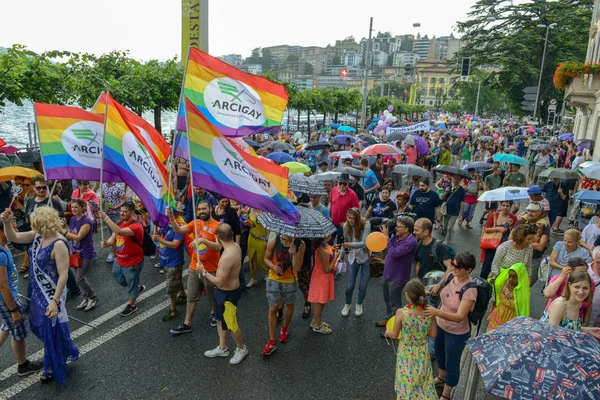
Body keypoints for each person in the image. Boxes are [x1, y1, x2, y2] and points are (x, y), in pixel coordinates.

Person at [1, 206, 79, 384]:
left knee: (51, 328)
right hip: (37, 290)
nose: (31, 225)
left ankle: (54, 364)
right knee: (38, 325)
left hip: (52, 293)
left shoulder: (59, 243)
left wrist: (54, 301)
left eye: (34, 222)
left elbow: (64, 275)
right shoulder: (38, 235)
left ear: (41, 222)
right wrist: (6, 223)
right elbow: (13, 237)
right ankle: (62, 347)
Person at [424, 252, 477, 400]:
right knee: (440, 354)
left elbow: (460, 317)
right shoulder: (452, 276)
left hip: (456, 333)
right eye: (453, 263)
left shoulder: (470, 290)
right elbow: (445, 277)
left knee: (452, 362)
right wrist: (438, 285)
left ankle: (446, 394)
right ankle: (441, 378)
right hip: (441, 326)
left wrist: (436, 312)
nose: (453, 267)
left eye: (457, 266)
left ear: (468, 270)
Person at [196, 224, 248, 364]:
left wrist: (204, 272)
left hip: (228, 294)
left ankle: (241, 348)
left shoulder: (227, 257)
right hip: (223, 292)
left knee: (231, 324)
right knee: (219, 319)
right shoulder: (234, 246)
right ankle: (223, 347)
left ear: (218, 236)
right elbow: (219, 246)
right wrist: (203, 241)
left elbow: (219, 282)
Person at [166, 201, 222, 333]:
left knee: (212, 294)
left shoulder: (218, 226)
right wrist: (171, 218)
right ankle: (187, 323)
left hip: (211, 269)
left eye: (204, 209)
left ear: (211, 209)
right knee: (191, 296)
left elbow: (219, 247)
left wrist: (203, 241)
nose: (201, 211)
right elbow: (179, 230)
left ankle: (214, 312)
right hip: (194, 267)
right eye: (199, 209)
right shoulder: (195, 223)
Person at [0, 222, 44, 377]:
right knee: (17, 332)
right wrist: (13, 310)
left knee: (6, 328)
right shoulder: (0, 254)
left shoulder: (4, 246)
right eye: (10, 228)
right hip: (6, 300)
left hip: (9, 296)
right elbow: (3, 286)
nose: (15, 230)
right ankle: (23, 365)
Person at [384, 279, 437, 400]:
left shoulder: (402, 313)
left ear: (407, 295)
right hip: (422, 351)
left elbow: (394, 334)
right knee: (423, 383)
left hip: (406, 352)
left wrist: (387, 332)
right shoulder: (429, 312)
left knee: (406, 381)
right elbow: (433, 334)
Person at [99, 203, 146, 317]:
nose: (121, 213)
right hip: (119, 260)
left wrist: (105, 217)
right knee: (119, 278)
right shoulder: (120, 222)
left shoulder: (136, 226)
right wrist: (108, 243)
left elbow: (119, 231)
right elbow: (115, 235)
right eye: (120, 211)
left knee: (131, 284)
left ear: (131, 212)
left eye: (124, 211)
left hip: (132, 262)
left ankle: (132, 304)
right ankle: (137, 286)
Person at [262, 233, 306, 356]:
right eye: (281, 238)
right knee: (272, 308)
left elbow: (297, 268)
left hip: (290, 281)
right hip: (273, 279)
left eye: (285, 239)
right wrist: (273, 267)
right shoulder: (274, 241)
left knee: (290, 305)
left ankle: (285, 328)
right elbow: (266, 259)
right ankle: (272, 340)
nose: (282, 241)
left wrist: (294, 253)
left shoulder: (300, 244)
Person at [378, 216, 417, 326]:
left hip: (397, 277)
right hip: (387, 273)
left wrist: (386, 238)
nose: (396, 228)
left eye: (398, 227)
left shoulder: (411, 242)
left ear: (406, 229)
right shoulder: (396, 236)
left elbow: (394, 253)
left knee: (395, 303)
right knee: (387, 299)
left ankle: (396, 325)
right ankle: (388, 318)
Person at [541, 270, 600, 338]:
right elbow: (550, 334)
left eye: (585, 288)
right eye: (577, 287)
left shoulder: (578, 304)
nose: (581, 292)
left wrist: (590, 331)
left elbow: (569, 329)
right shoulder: (560, 305)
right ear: (569, 285)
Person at [151, 208, 186, 321]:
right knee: (177, 279)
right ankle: (182, 295)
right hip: (165, 260)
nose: (166, 214)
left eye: (169, 212)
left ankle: (173, 308)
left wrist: (160, 240)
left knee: (171, 286)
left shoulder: (178, 226)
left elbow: (175, 245)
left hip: (174, 262)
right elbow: (154, 234)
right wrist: (155, 224)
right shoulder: (163, 224)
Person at [65, 199, 97, 311]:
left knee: (79, 278)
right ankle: (86, 297)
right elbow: (71, 233)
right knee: (78, 277)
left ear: (83, 207)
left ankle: (92, 297)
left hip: (86, 253)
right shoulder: (73, 219)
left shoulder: (87, 221)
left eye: (76, 207)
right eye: (72, 207)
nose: (73, 209)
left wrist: (63, 231)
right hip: (75, 252)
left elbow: (78, 237)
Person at [543, 257, 594, 326]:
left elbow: (589, 303)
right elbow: (548, 294)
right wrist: (562, 276)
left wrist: (585, 323)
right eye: (577, 287)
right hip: (557, 314)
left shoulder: (589, 282)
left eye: (585, 272)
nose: (581, 292)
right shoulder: (560, 279)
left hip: (574, 320)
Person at [341, 208, 371, 317]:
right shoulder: (346, 226)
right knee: (349, 286)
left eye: (353, 219)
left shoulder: (366, 224)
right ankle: (347, 304)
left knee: (363, 286)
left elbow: (364, 242)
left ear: (358, 218)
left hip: (365, 257)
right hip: (352, 258)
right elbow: (344, 242)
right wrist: (340, 256)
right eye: (349, 218)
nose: (350, 221)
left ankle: (359, 304)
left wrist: (350, 245)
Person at [480, 201, 517, 280]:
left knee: (499, 267)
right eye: (503, 205)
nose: (505, 207)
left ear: (510, 207)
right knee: (486, 266)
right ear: (500, 205)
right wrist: (498, 229)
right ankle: (481, 284)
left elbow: (514, 233)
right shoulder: (494, 215)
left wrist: (510, 225)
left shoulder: (513, 218)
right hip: (492, 245)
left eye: (507, 206)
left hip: (504, 246)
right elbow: (486, 229)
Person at [487, 262, 530, 331]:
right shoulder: (504, 281)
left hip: (511, 317)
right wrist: (492, 282)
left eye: (514, 277)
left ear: (519, 277)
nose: (510, 279)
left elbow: (523, 309)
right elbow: (496, 285)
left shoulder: (522, 292)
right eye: (510, 276)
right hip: (499, 312)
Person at [308, 235, 338, 334]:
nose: (330, 235)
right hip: (323, 278)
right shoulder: (324, 252)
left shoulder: (320, 246)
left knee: (320, 301)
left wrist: (332, 249)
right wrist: (335, 258)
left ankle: (316, 320)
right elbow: (327, 270)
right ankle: (317, 325)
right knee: (320, 302)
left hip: (317, 274)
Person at [328, 174, 359, 243]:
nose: (342, 185)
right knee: (328, 242)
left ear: (348, 184)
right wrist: (327, 216)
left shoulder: (353, 195)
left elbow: (356, 212)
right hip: (332, 222)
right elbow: (330, 203)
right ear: (337, 183)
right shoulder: (334, 189)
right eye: (340, 183)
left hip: (344, 225)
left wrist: (347, 223)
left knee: (341, 244)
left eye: (344, 184)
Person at [101, 182, 126, 263]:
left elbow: (124, 199)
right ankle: (117, 250)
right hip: (107, 213)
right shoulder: (103, 186)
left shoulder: (118, 187)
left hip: (117, 214)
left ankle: (113, 252)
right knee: (111, 233)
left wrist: (116, 207)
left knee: (116, 233)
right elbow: (103, 197)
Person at [244, 207, 269, 288]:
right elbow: (250, 224)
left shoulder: (266, 211)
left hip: (262, 239)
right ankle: (253, 278)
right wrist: (247, 223)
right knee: (252, 258)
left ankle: (266, 272)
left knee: (262, 258)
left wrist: (266, 239)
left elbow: (268, 228)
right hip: (251, 237)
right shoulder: (249, 210)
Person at [439, 174, 465, 244]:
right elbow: (441, 197)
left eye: (458, 179)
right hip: (446, 210)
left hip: (455, 211)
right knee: (445, 227)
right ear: (452, 178)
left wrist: (461, 214)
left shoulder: (462, 190)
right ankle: (446, 235)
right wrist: (446, 192)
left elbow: (462, 202)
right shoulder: (448, 186)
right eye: (454, 178)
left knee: (450, 228)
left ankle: (447, 241)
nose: (456, 180)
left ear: (460, 180)